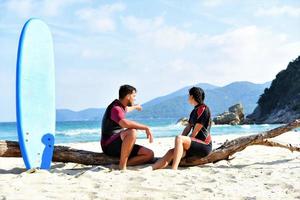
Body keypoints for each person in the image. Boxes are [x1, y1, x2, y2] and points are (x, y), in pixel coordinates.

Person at [152, 87, 212, 170]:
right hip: (194, 144)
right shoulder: (194, 111)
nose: (188, 97)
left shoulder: (204, 109)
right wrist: (178, 145)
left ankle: (174, 168)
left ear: (192, 96)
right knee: (171, 152)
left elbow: (196, 132)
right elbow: (187, 128)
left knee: (179, 138)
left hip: (204, 146)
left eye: (188, 95)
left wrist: (181, 141)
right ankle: (151, 168)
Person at [101, 85, 154, 170]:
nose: (135, 98)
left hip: (120, 144)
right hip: (109, 145)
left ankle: (121, 164)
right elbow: (124, 123)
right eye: (134, 96)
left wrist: (136, 106)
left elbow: (127, 109)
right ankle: (123, 166)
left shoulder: (121, 106)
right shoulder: (116, 108)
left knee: (149, 154)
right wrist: (146, 127)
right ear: (128, 96)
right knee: (132, 131)